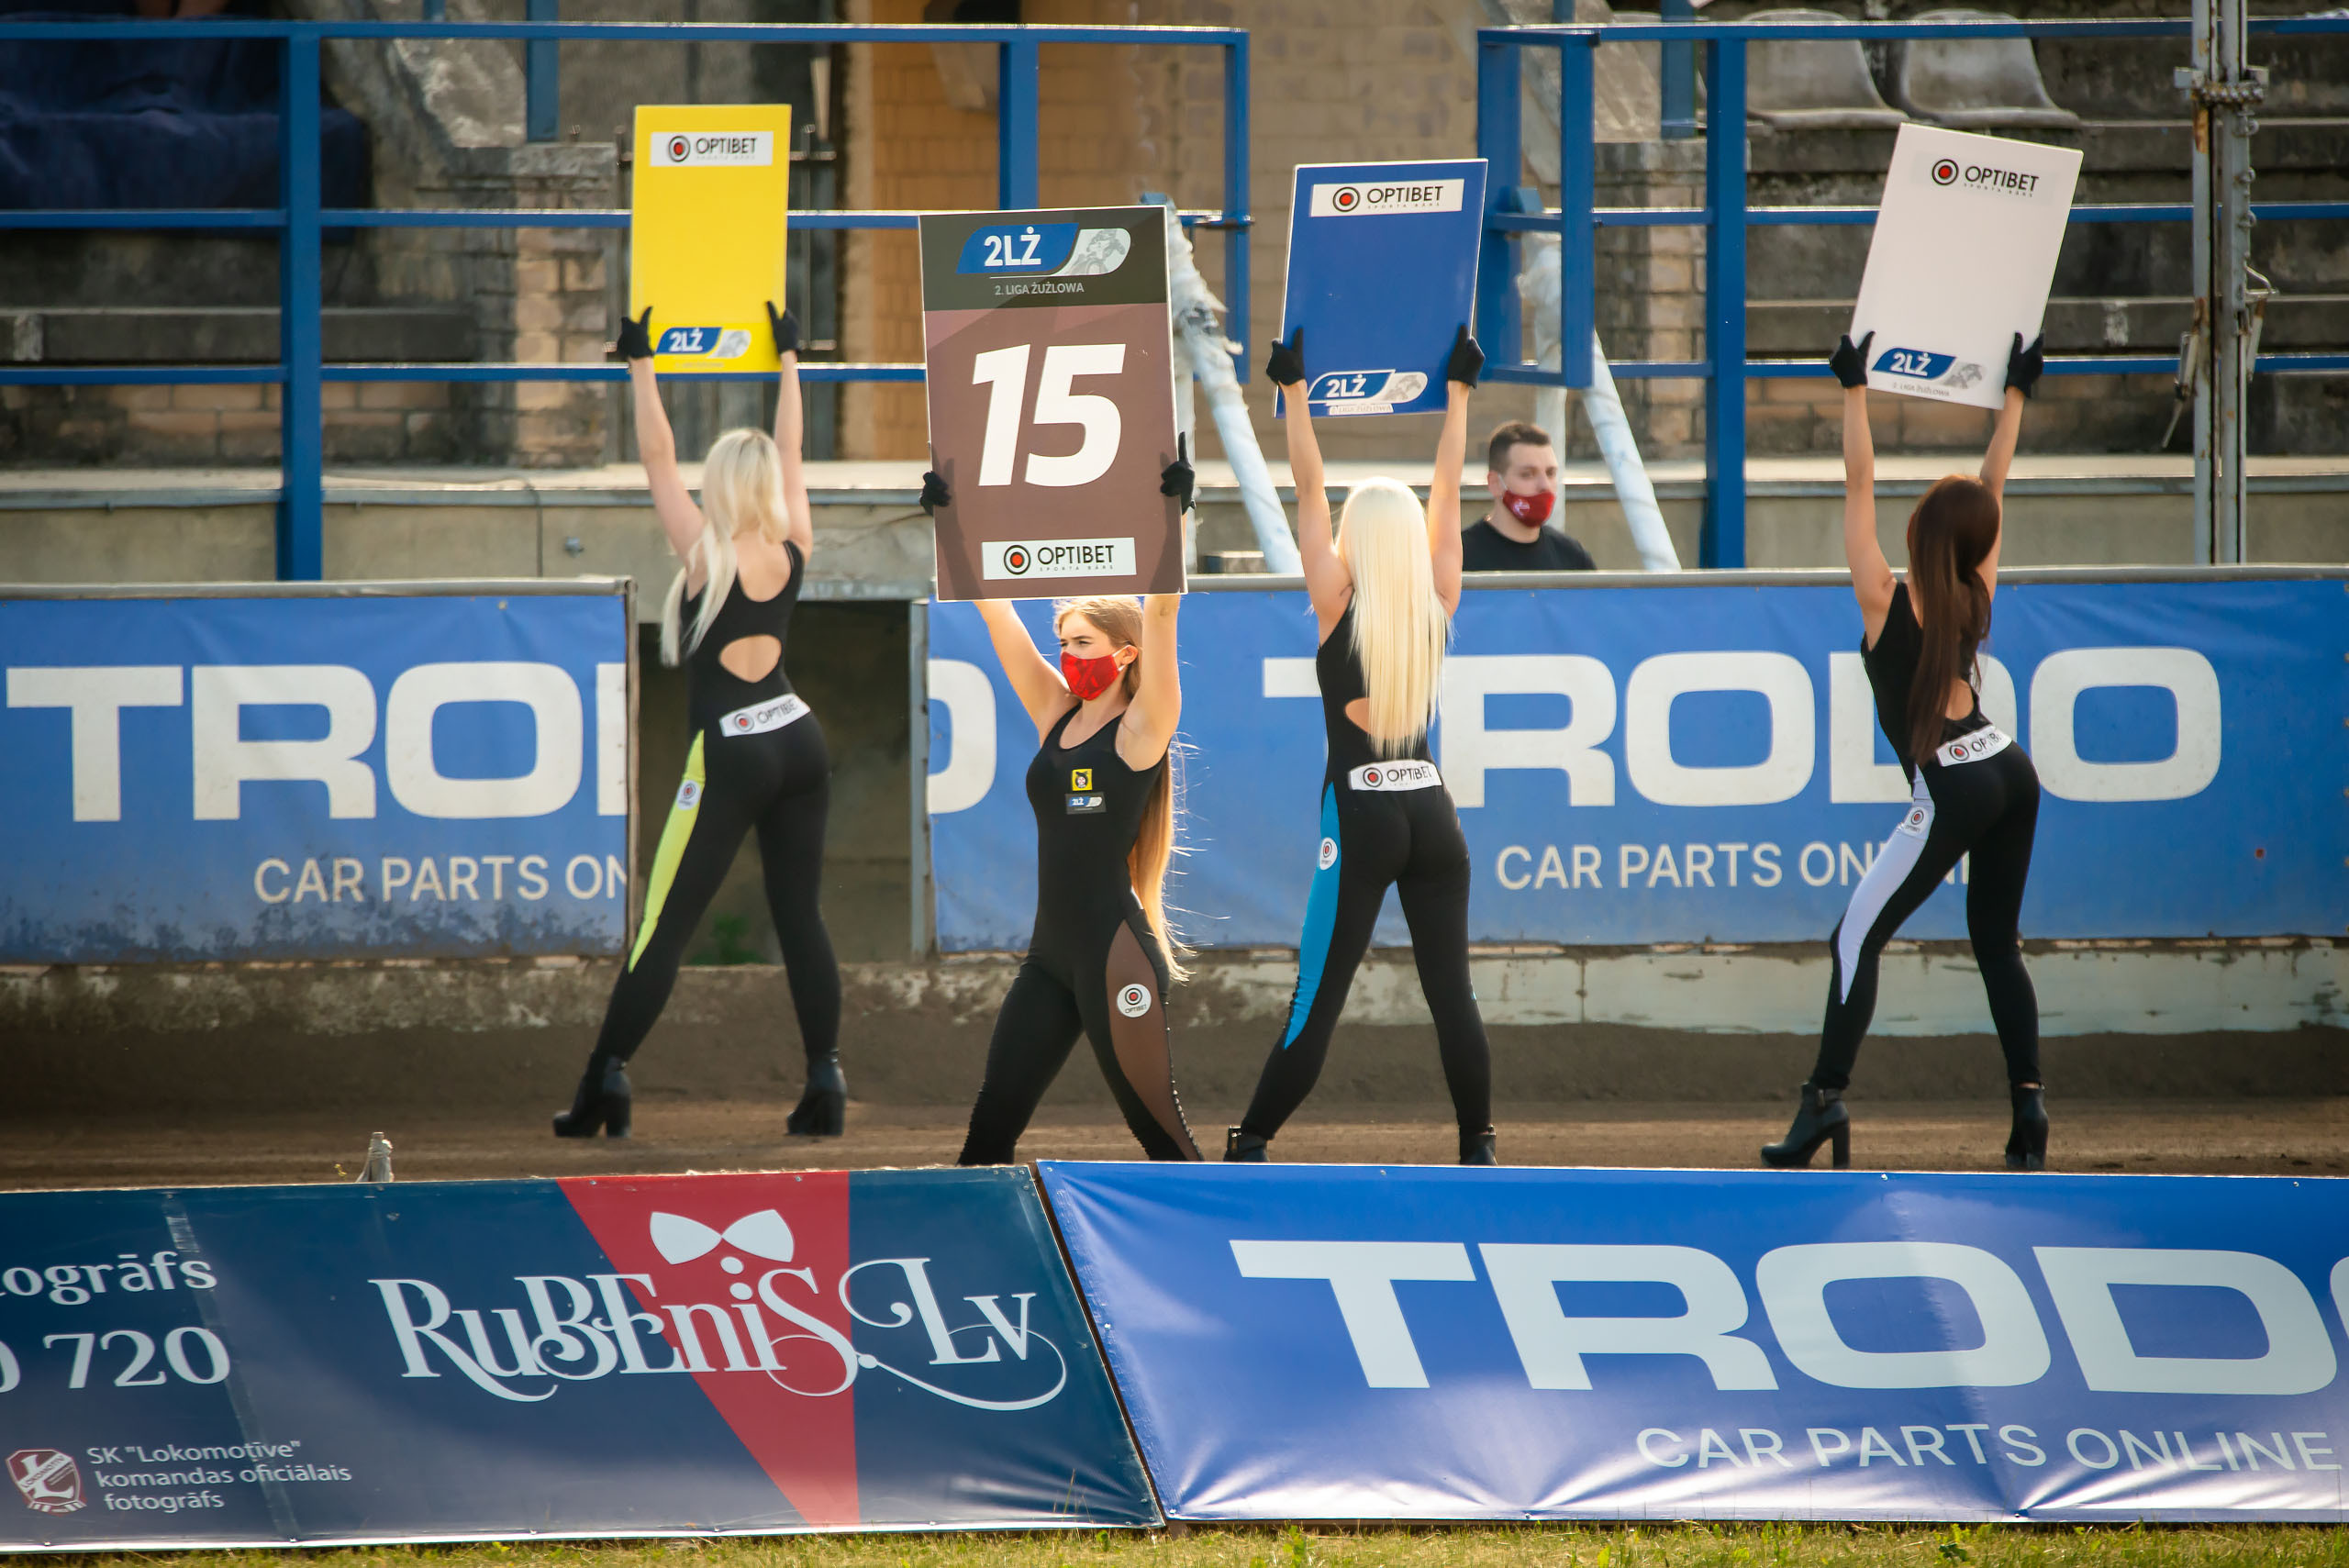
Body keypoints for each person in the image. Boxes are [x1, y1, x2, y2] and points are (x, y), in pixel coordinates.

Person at [554, 304, 844, 1140]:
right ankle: (826, 1078)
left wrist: (641, 364)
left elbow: (656, 457)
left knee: (664, 925)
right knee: (804, 918)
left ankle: (601, 1082)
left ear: (720, 488)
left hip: (733, 751)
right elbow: (792, 452)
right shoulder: (793, 544)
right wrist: (792, 357)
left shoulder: (705, 553)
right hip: (800, 736)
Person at [1764, 330, 2049, 1173]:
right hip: (2011, 767)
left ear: (1920, 529)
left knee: (1853, 940)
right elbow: (1991, 487)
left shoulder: (1884, 602)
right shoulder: (1973, 589)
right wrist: (2015, 397)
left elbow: (1860, 480)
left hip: (1955, 787)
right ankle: (2029, 1106)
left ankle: (1823, 1100)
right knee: (1999, 944)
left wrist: (1854, 388)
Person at [1228, 326, 1497, 1166]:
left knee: (1318, 994)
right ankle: (1479, 1143)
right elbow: (1448, 492)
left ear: (1355, 538)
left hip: (1364, 812)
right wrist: (1458, 398)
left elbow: (1307, 487)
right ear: (1409, 541)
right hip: (1435, 814)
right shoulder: (1436, 601)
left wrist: (1297, 397)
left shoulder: (1336, 602)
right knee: (1452, 996)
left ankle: (1252, 1139)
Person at [924, 461, 1206, 1165]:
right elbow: (997, 615)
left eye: (1082, 644)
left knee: (1161, 1137)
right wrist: (951, 524)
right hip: (1050, 958)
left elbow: (1164, 610)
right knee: (990, 1126)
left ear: (1124, 654)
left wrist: (1171, 520)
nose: (1068, 655)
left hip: (1117, 958)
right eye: (1065, 643)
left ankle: (1227, 1248)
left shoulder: (1143, 728)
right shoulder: (1057, 714)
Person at [1458, 420, 1596, 573]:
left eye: (1550, 473)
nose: (1545, 485)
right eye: (1528, 474)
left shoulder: (1573, 558)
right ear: (1495, 483)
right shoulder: (1460, 558)